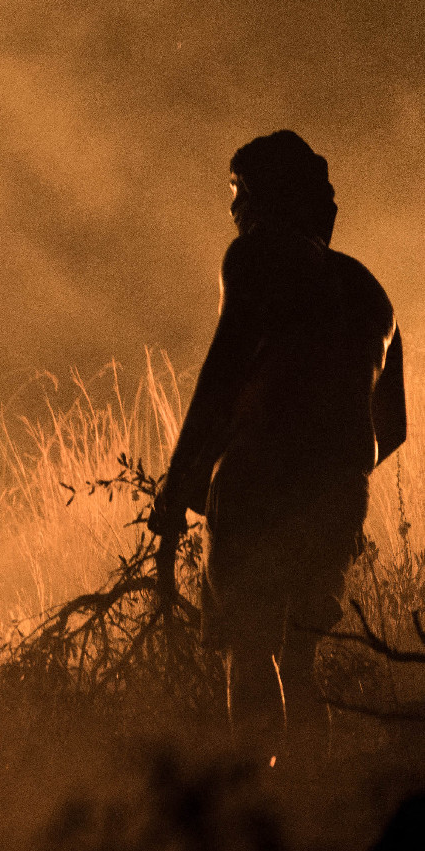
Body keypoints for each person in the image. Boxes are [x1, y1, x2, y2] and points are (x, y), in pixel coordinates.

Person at [151, 130, 406, 757]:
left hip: (259, 483)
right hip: (340, 498)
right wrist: (336, 467)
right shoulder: (372, 292)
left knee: (250, 647)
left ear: (267, 193)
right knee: (297, 659)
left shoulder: (257, 256)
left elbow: (223, 372)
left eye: (237, 190)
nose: (232, 208)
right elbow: (391, 428)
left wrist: (181, 482)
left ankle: (256, 813)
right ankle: (308, 806)